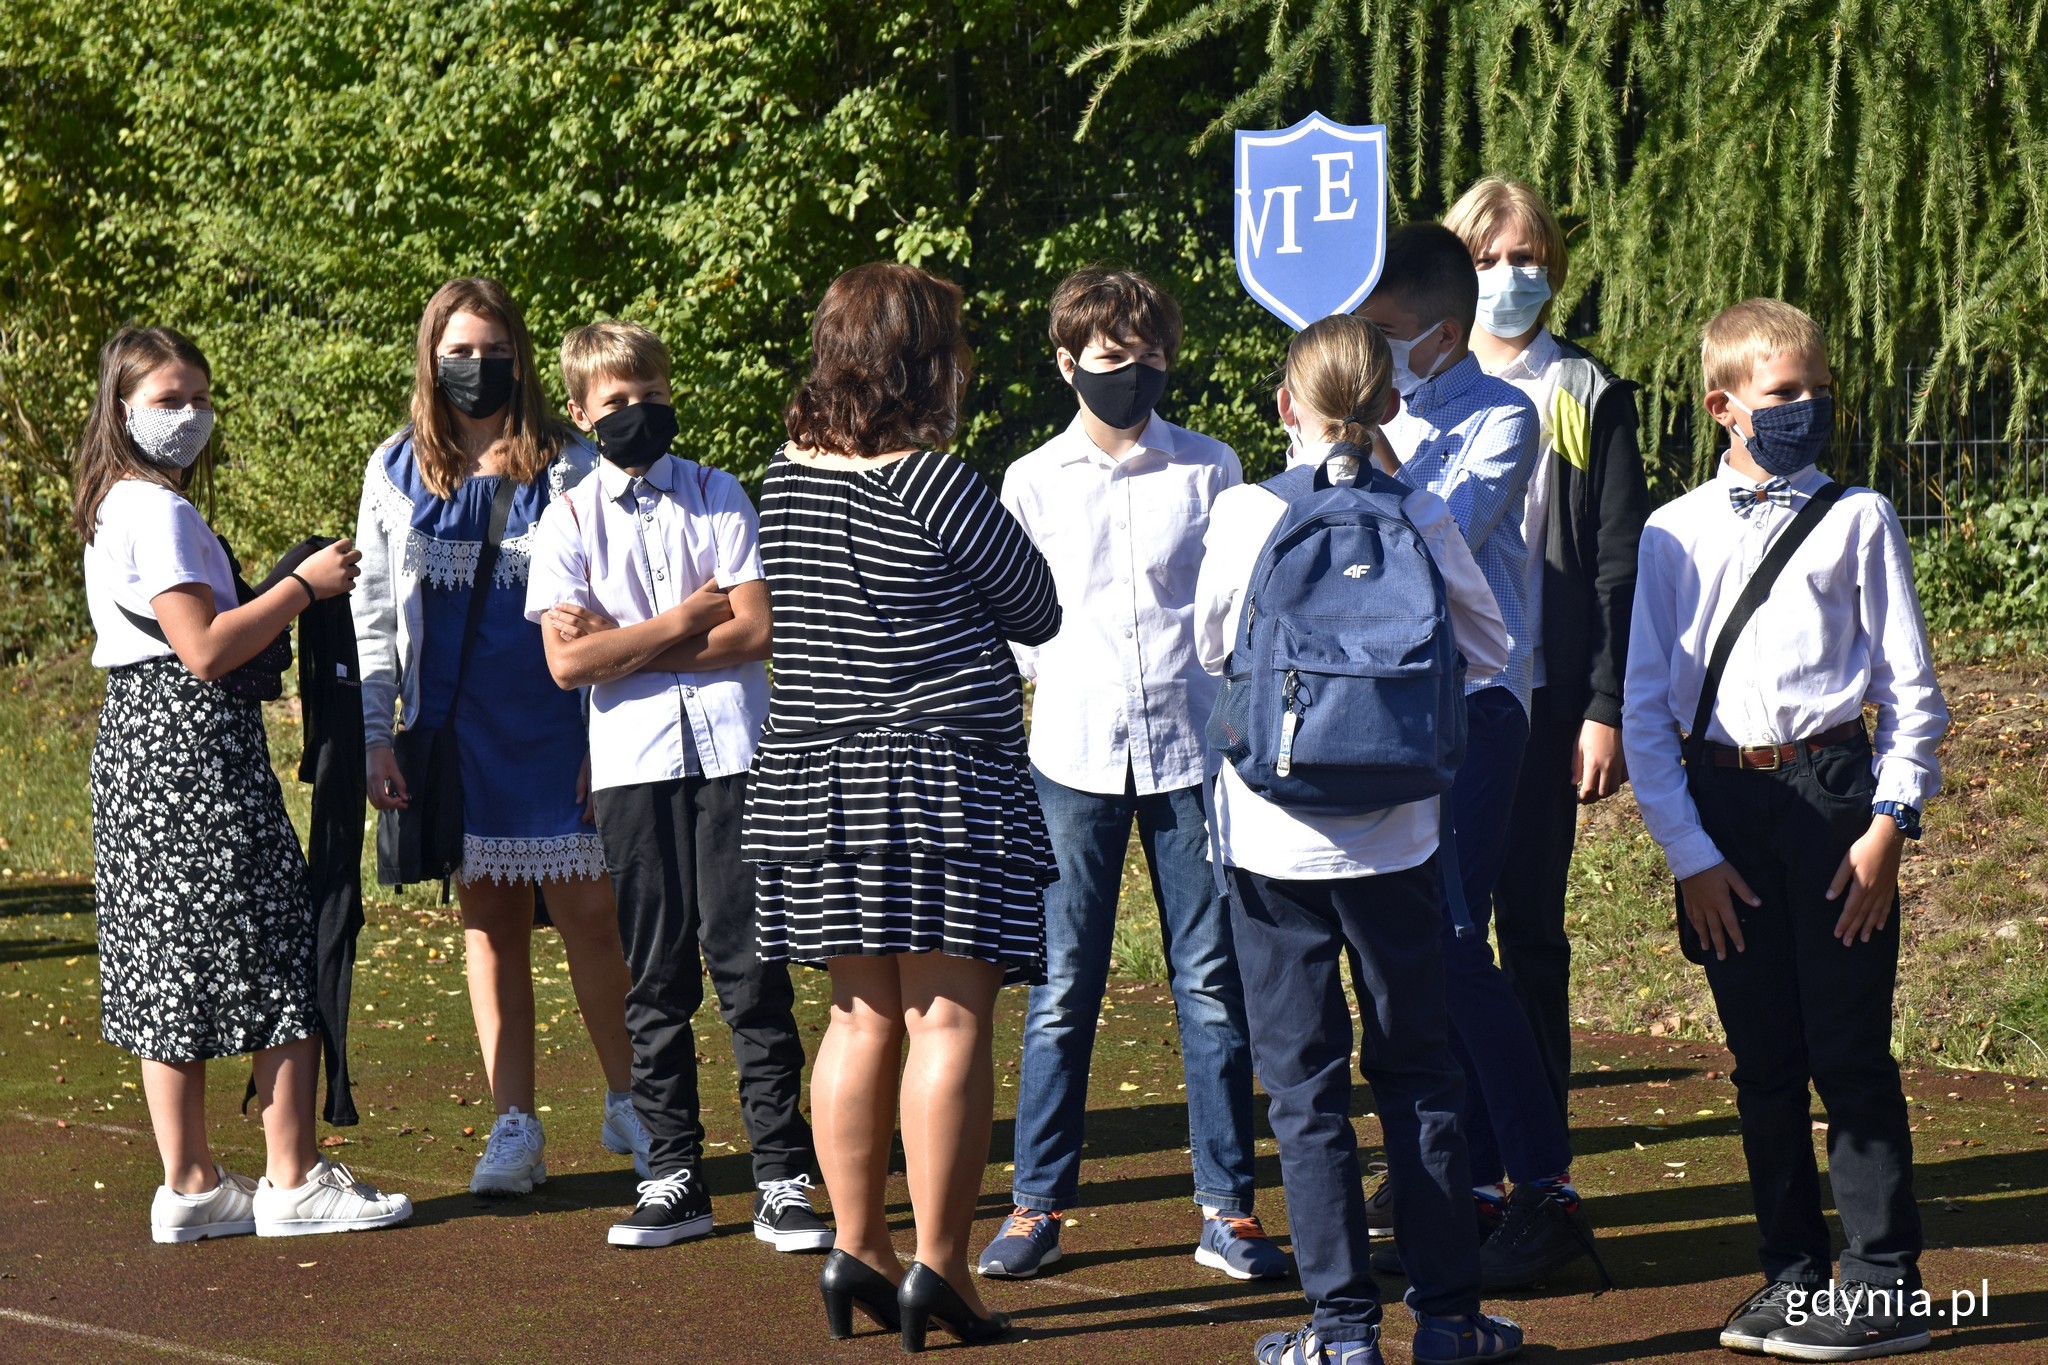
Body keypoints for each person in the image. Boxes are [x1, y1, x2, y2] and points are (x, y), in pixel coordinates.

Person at [742, 263, 1061, 1351]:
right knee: (948, 1018)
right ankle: (941, 1268)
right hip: (934, 777)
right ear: (925, 362)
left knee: (856, 1015)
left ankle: (855, 1247)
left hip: (812, 775)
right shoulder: (932, 483)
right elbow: (1037, 606)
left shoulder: (777, 478)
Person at [1195, 314, 1524, 1365]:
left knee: (1303, 1092)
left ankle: (1340, 1333)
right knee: (1418, 1078)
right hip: (1397, 841)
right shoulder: (1421, 513)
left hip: (1270, 838)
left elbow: (1211, 646)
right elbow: (1488, 645)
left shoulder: (1248, 511)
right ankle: (1445, 1322)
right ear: (1388, 407)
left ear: (1286, 406)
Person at [1624, 299, 1946, 1361]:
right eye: (1781, 395)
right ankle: (1791, 1275)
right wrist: (1690, 857)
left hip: (1831, 796)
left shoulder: (1858, 517)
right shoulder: (1670, 531)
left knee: (1846, 1049)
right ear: (1722, 407)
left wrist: (1888, 822)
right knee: (1761, 1057)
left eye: (1816, 391)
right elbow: (1642, 711)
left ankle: (1883, 1276)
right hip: (1723, 812)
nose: (1806, 409)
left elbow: (1908, 691)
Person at [76, 325, 412, 1242]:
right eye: (167, 400)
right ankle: (293, 1177)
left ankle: (190, 1183)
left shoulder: (114, 506)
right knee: (274, 937)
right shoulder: (156, 510)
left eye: (199, 397)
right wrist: (303, 586)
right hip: (193, 749)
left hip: (139, 743)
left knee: (166, 956)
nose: (189, 416)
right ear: (122, 408)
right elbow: (204, 647)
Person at [979, 267, 1280, 1283]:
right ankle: (1035, 1206)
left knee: (1208, 984)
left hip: (1195, 752)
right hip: (1069, 754)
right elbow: (1018, 625)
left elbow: (1234, 610)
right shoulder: (1028, 480)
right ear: (1067, 363)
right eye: (1112, 361)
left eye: (1149, 359)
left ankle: (1226, 1210)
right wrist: (1066, 679)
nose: (1133, 376)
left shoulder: (1211, 468)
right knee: (1064, 986)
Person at [523, 320, 829, 1253]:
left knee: (751, 967)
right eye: (615, 403)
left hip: (736, 756)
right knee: (654, 975)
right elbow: (568, 667)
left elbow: (754, 630)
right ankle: (673, 1173)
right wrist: (685, 616)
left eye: (651, 394)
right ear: (580, 412)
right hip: (633, 770)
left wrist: (632, 639)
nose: (637, 413)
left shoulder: (719, 492)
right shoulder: (568, 517)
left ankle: (780, 1173)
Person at [353, 278, 643, 1197]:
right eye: (460, 350)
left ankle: (632, 1099)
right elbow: (371, 618)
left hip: (560, 723)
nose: (478, 366)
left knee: (594, 917)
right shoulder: (394, 472)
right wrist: (377, 735)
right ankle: (514, 1124)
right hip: (455, 735)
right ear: (431, 358)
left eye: (494, 349)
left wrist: (610, 730)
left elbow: (619, 596)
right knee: (491, 930)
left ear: (520, 355)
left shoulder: (570, 464)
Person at [1356, 224, 1600, 1289]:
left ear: (1439, 335)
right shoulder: (1366, 418)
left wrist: (1358, 458)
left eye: (1387, 335)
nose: (1371, 354)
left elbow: (1426, 536)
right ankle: (1474, 1176)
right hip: (1385, 717)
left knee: (1457, 940)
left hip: (1478, 711)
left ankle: (1545, 1188)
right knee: (1410, 950)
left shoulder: (1499, 417)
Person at [1444, 177, 1650, 1160]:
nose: (1507, 276)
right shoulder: (1414, 391)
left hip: (1538, 706)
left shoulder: (1584, 391)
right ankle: (1445, 1162)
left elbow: (1618, 562)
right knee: (1437, 940)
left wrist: (1602, 707)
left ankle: (1534, 1170)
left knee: (1526, 934)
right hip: (1435, 710)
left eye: (1525, 259)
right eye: (1486, 260)